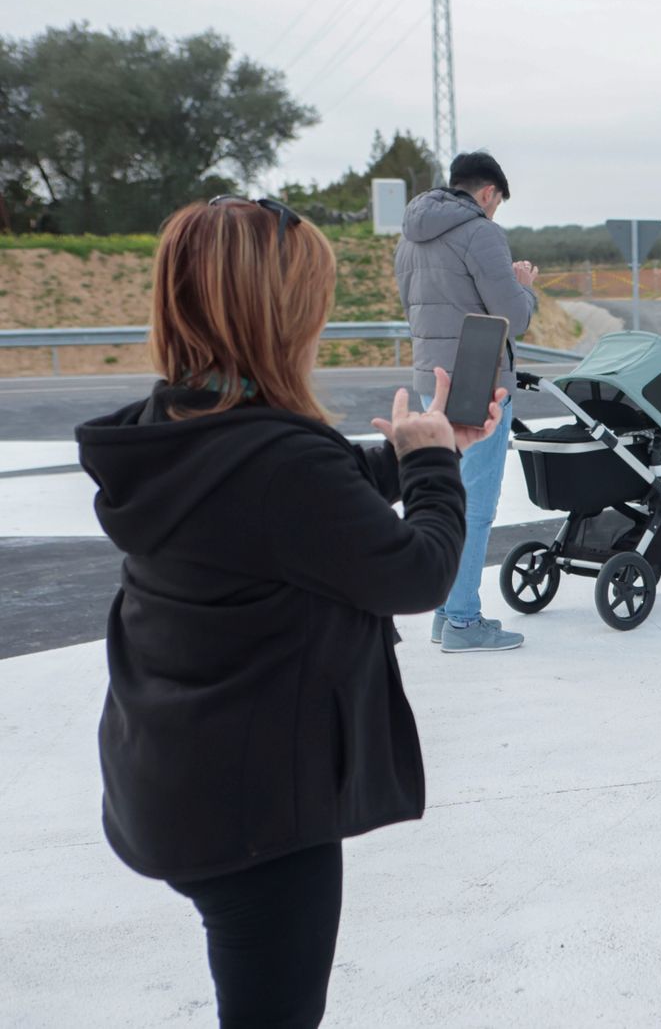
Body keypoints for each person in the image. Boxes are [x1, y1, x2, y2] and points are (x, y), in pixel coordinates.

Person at [75, 196, 506, 1025]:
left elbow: (296, 506)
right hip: (256, 820)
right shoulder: (274, 460)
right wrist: (432, 473)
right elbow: (416, 573)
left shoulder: (177, 425)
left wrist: (423, 449)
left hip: (171, 780)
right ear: (279, 314)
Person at [395, 150, 537, 652]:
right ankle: (461, 620)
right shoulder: (482, 232)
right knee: (475, 504)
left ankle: (444, 610)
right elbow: (514, 318)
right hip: (479, 384)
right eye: (497, 203)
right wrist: (525, 288)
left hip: (430, 379)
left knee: (444, 495)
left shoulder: (411, 235)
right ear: (488, 193)